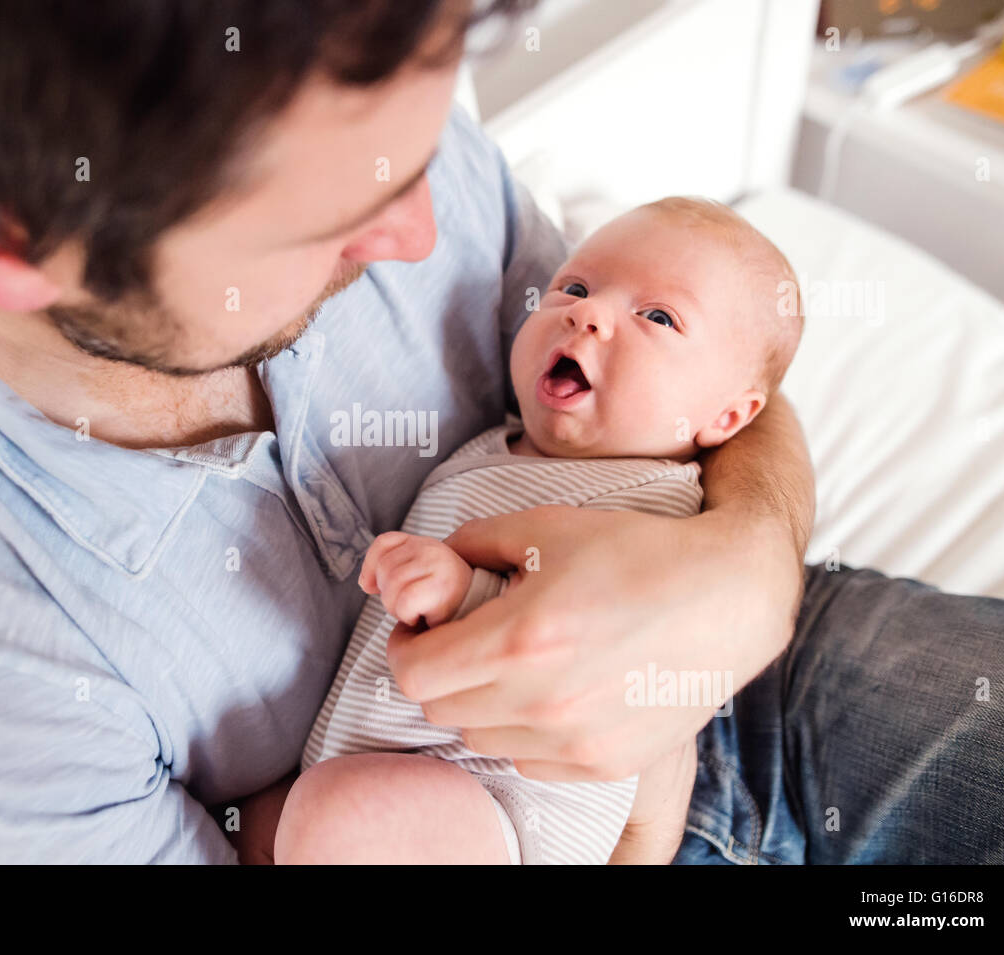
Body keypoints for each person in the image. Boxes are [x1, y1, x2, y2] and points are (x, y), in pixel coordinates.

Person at [0, 0, 1004, 864]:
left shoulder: (339, 105)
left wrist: (747, 557)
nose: (422, 236)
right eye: (339, 221)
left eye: (422, 164)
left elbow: (686, 381)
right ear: (5, 246)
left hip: (744, 677)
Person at [282, 197, 804, 865]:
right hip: (391, 763)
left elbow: (581, 631)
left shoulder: (650, 502)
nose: (587, 313)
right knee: (295, 818)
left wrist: (461, 594)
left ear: (729, 415)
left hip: (508, 804)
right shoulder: (496, 443)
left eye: (658, 317)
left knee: (337, 816)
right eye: (574, 287)